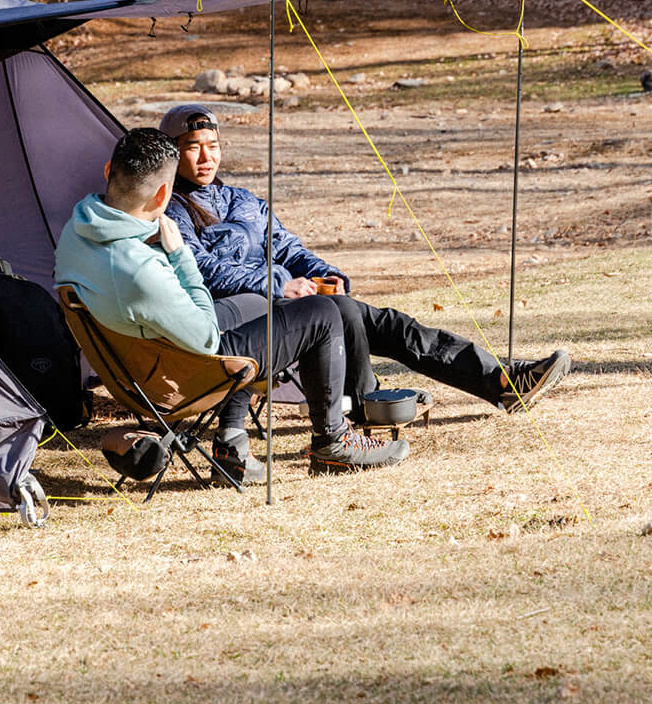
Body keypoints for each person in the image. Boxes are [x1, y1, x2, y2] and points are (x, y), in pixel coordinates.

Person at [158, 105, 572, 420]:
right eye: (193, 148)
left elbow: (286, 247)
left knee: (386, 322)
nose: (205, 157)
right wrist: (279, 285)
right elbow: (201, 270)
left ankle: (500, 380)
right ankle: (368, 403)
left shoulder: (243, 201)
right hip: (246, 321)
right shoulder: (171, 210)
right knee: (343, 313)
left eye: (212, 147)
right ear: (175, 155)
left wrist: (323, 273)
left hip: (294, 304)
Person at [53, 126, 408, 482]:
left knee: (254, 302)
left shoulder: (78, 228)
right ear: (164, 192)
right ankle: (333, 443)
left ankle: (231, 445)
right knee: (322, 313)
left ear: (107, 171)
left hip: (134, 366)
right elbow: (206, 338)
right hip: (178, 378)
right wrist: (180, 257)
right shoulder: (139, 269)